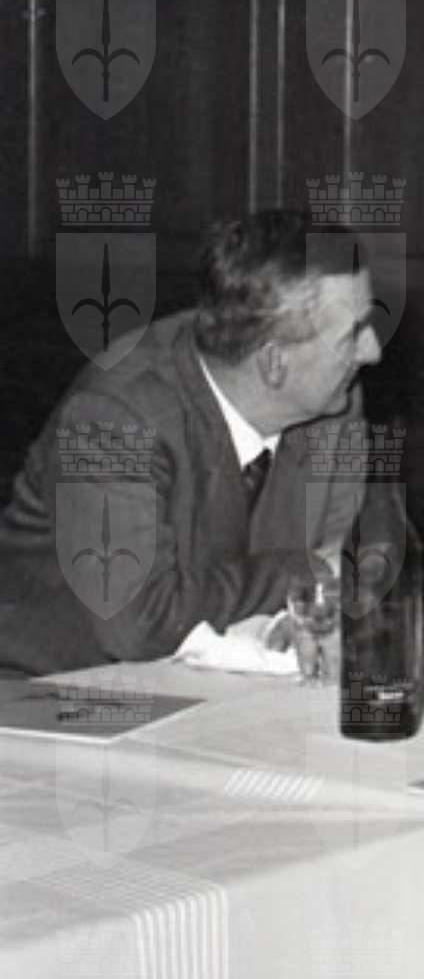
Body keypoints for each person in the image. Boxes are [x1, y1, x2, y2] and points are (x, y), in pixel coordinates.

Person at [0, 210, 381, 676]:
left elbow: (347, 560)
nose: (373, 351)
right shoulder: (113, 418)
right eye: (353, 334)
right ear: (273, 363)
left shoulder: (332, 401)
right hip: (46, 690)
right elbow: (140, 623)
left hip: (213, 681)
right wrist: (304, 572)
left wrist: (301, 607)